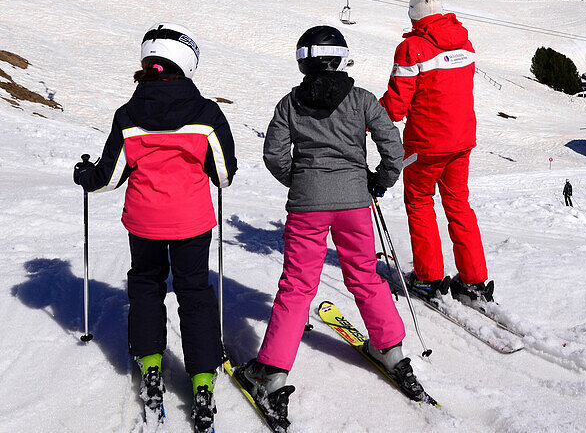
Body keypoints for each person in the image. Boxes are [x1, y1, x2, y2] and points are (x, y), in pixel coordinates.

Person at [237, 26, 421, 427]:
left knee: (298, 285)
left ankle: (272, 373)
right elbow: (394, 148)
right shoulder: (362, 100)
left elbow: (273, 154)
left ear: (302, 60)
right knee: (365, 276)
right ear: (341, 57)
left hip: (307, 206)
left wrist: (300, 180)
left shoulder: (290, 103)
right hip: (355, 203)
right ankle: (391, 349)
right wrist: (378, 181)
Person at [73, 23, 235, 432]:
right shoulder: (206, 113)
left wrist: (84, 175)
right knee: (194, 289)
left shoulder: (128, 115)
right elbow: (223, 174)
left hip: (144, 220)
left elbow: (109, 178)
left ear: (149, 61)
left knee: (146, 285)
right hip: (192, 220)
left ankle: (149, 367)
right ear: (187, 63)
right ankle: (201, 379)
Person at [380, 0, 492, 304]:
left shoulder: (411, 49)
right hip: (461, 141)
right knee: (458, 205)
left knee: (419, 201)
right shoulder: (464, 43)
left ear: (414, 13)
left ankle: (429, 277)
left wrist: (363, 117)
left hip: (425, 146)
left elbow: (395, 107)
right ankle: (473, 280)